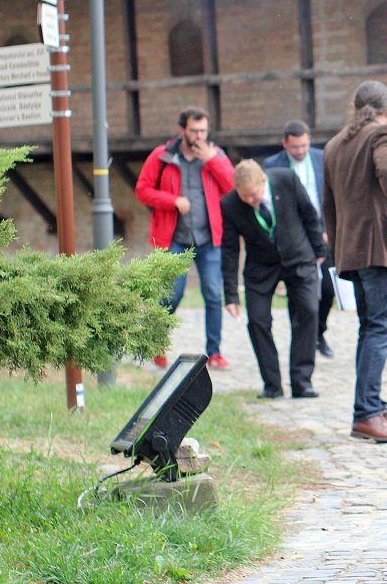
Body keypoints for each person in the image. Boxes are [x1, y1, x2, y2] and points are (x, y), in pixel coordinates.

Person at [323, 81, 387, 443]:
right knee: (383, 329)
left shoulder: (334, 144)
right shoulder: (383, 134)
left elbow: (327, 204)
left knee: (371, 328)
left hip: (351, 249)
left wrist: (339, 250)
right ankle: (366, 414)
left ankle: (373, 407)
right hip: (380, 248)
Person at [135, 106, 234, 370]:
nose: (200, 135)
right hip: (174, 238)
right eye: (194, 130)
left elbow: (233, 187)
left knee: (214, 294)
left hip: (208, 238)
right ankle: (157, 342)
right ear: (182, 130)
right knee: (173, 294)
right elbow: (142, 191)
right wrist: (172, 200)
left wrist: (213, 160)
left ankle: (214, 352)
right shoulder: (163, 156)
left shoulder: (215, 155)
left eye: (203, 130)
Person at [220, 160, 326, 399]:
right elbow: (229, 249)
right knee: (257, 321)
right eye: (244, 196)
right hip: (261, 267)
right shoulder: (229, 204)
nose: (250, 201)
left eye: (254, 194)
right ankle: (272, 385)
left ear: (263, 181)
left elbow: (309, 214)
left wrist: (319, 251)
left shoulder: (286, 179)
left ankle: (302, 381)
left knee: (308, 311)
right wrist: (231, 295)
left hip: (298, 256)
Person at [264, 120, 336, 359]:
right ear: (285, 144)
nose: (300, 151)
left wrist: (328, 228)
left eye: (304, 145)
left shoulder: (321, 157)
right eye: (295, 147)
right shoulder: (272, 165)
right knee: (298, 294)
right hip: (294, 237)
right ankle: (302, 336)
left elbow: (331, 194)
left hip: (321, 232)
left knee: (327, 289)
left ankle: (318, 332)